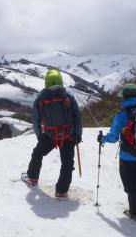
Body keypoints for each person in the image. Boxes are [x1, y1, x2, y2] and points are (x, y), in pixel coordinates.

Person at [22, 69, 82, 198]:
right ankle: (61, 191)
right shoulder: (68, 96)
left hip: (50, 135)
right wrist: (77, 134)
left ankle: (32, 178)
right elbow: (77, 116)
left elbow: (36, 119)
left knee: (37, 153)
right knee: (67, 164)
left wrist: (40, 136)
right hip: (68, 135)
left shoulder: (40, 98)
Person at [97, 83, 136, 221]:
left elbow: (114, 137)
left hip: (128, 156)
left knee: (131, 184)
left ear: (124, 97)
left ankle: (135, 213)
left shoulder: (121, 115)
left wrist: (103, 138)